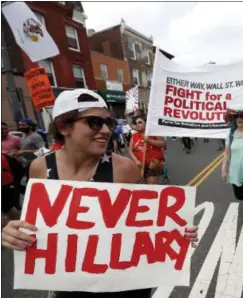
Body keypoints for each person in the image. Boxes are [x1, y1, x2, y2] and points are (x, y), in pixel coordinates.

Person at [1, 89, 198, 298]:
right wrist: (13, 232)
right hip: (71, 284)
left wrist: (176, 231)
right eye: (94, 122)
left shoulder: (124, 169)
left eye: (109, 123)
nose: (105, 130)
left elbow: (149, 225)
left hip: (123, 284)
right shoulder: (40, 168)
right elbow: (41, 224)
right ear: (63, 126)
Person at [129, 116, 167, 184]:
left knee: (152, 187)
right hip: (140, 166)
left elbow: (163, 144)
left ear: (146, 124)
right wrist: (136, 161)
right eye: (136, 123)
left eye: (140, 122)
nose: (137, 124)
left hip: (153, 165)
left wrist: (149, 141)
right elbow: (130, 150)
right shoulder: (134, 136)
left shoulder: (153, 132)